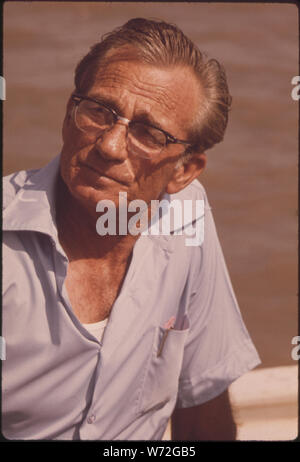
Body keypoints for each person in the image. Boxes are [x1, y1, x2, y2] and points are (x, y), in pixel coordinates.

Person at [2, 18, 260, 441]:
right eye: (99, 112)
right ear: (70, 113)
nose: (109, 146)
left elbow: (201, 395)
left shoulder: (187, 213)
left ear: (186, 171)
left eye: (148, 134)